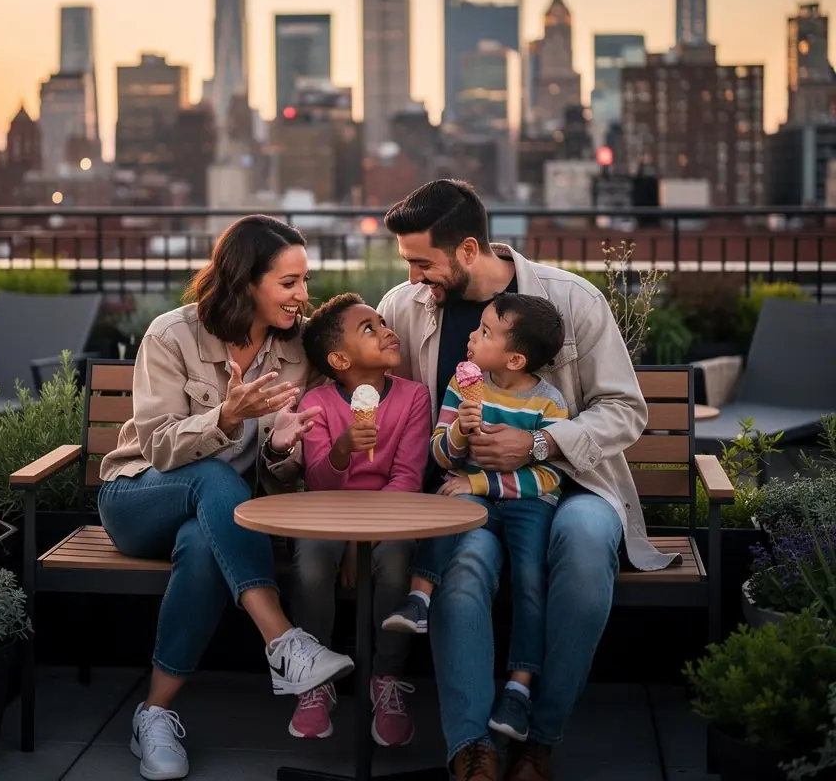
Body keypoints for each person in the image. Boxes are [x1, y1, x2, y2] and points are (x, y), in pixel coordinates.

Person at [377, 180, 679, 781]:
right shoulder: (404, 307)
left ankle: (538, 739)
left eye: (423, 262)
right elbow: (384, 400)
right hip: (470, 492)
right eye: (407, 262)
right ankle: (471, 748)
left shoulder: (572, 299)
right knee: (463, 569)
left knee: (586, 546)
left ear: (468, 249)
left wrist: (539, 442)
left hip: (574, 482)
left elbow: (625, 409)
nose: (412, 277)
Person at [98, 215, 354, 781]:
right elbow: (159, 447)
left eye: (305, 281)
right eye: (288, 283)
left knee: (203, 540)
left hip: (220, 521)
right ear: (246, 281)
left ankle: (154, 714)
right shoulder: (172, 335)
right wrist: (227, 417)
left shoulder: (299, 349)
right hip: (138, 498)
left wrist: (282, 449)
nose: (302, 296)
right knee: (214, 478)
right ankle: (283, 640)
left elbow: (283, 474)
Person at [384, 292, 569, 747]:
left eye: (485, 332)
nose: (471, 336)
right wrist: (460, 431)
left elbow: (549, 476)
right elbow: (441, 454)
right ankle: (419, 599)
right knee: (444, 509)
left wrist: (481, 483)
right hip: (470, 495)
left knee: (531, 580)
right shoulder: (465, 384)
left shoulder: (548, 404)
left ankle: (519, 689)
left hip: (527, 505)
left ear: (516, 358)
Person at [271, 293, 433, 746]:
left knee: (397, 559)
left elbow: (406, 478)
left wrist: (361, 542)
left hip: (390, 518)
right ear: (340, 359)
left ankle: (387, 676)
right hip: (328, 518)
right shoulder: (318, 402)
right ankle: (315, 678)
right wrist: (343, 447)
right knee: (311, 561)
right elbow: (319, 483)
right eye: (369, 329)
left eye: (381, 322)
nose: (386, 330)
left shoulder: (414, 397)